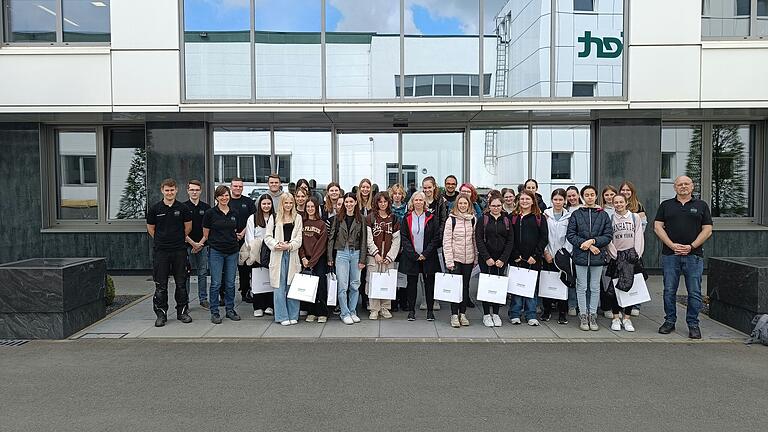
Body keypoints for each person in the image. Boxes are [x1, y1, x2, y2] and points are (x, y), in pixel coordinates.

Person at [654, 176, 712, 339]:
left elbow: (707, 230)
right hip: (670, 255)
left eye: (686, 184)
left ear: (692, 186)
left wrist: (691, 246)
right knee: (669, 291)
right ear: (675, 187)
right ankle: (669, 321)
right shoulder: (666, 205)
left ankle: (693, 324)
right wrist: (672, 245)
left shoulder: (701, 205)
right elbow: (657, 227)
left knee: (694, 292)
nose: (683, 186)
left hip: (693, 256)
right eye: (680, 184)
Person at [146, 178, 193, 327]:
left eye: (172, 190)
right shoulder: (155, 209)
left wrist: (177, 239)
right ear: (162, 191)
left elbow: (188, 227)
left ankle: (182, 312)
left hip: (179, 250)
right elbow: (151, 229)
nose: (170, 192)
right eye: (167, 190)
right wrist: (162, 240)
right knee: (161, 285)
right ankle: (161, 314)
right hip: (161, 252)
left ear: (176, 190)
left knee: (181, 284)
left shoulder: (183, 208)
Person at [566, 185, 613, 332]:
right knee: (581, 286)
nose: (590, 197)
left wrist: (593, 242)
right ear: (582, 196)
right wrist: (584, 244)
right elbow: (571, 234)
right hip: (580, 256)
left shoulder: (603, 214)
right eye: (587, 195)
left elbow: (608, 235)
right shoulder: (576, 214)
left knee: (594, 287)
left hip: (597, 256)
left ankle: (593, 314)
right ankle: (583, 315)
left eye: (592, 194)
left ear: (596, 196)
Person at [202, 185, 242, 324]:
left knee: (230, 283)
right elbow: (206, 234)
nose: (224, 198)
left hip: (232, 251)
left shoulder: (234, 212)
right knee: (216, 283)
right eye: (221, 196)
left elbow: (238, 229)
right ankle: (215, 312)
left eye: (226, 195)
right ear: (216, 197)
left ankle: (230, 309)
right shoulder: (210, 213)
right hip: (216, 252)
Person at [400, 191, 441, 321]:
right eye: (416, 200)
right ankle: (411, 311)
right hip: (412, 257)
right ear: (412, 202)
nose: (418, 202)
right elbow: (404, 237)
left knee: (429, 284)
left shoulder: (431, 217)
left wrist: (425, 254)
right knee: (411, 284)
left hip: (428, 257)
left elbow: (436, 237)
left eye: (421, 200)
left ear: (425, 202)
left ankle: (430, 311)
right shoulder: (407, 217)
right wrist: (414, 255)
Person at [509, 190, 548, 326]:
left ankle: (531, 314)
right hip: (517, 259)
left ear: (533, 201)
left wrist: (535, 255)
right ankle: (515, 313)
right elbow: (510, 238)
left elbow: (544, 238)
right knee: (517, 287)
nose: (524, 201)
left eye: (527, 199)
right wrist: (514, 254)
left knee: (531, 287)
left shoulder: (539, 218)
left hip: (533, 259)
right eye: (522, 199)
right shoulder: (513, 217)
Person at [606, 193, 644, 332]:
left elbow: (639, 236)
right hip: (617, 257)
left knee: (630, 287)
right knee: (616, 288)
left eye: (621, 202)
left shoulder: (634, 217)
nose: (619, 204)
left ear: (626, 202)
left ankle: (627, 318)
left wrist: (637, 255)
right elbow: (608, 238)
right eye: (616, 202)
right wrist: (614, 254)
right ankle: (616, 317)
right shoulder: (610, 218)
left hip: (631, 256)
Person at [327, 192, 367, 325]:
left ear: (356, 202)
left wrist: (362, 260)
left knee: (355, 284)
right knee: (343, 285)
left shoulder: (361, 218)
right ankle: (344, 312)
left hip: (356, 253)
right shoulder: (338, 218)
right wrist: (330, 257)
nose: (349, 204)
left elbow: (363, 241)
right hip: (341, 253)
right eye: (347, 202)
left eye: (351, 202)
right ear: (343, 203)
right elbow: (331, 238)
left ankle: (352, 311)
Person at [265, 192, 303, 326]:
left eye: (291, 203)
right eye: (286, 202)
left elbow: (299, 238)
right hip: (278, 255)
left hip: (292, 254)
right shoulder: (274, 217)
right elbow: (267, 237)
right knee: (279, 286)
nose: (288, 205)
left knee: (292, 285)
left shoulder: (297, 218)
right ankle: (281, 316)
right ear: (282, 203)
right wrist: (276, 245)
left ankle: (293, 315)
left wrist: (289, 245)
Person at [475, 196, 514, 327]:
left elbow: (510, 241)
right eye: (493, 206)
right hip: (486, 258)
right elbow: (479, 240)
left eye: (498, 206)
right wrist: (487, 258)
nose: (496, 208)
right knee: (487, 285)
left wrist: (503, 259)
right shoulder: (483, 220)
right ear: (489, 206)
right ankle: (486, 314)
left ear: (501, 206)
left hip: (501, 259)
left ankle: (496, 314)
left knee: (498, 286)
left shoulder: (507, 220)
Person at [365, 192, 401, 320]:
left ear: (388, 203)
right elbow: (368, 239)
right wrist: (375, 253)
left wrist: (390, 256)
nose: (382, 204)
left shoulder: (394, 218)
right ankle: (374, 309)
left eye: (385, 201)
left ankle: (385, 307)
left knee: (387, 282)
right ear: (376, 203)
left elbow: (397, 240)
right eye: (380, 201)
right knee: (373, 281)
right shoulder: (370, 218)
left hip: (388, 257)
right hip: (373, 257)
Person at [443, 195, 477, 328]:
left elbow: (474, 240)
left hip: (468, 259)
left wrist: (476, 257)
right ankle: (454, 314)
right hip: (455, 259)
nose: (463, 205)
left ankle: (463, 313)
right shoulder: (451, 220)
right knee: (455, 287)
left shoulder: (473, 219)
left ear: (469, 205)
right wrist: (449, 261)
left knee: (465, 286)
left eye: (465, 203)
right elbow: (446, 241)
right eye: (461, 203)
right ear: (457, 204)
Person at [542, 188, 572, 325]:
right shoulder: (545, 215)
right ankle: (546, 310)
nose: (558, 202)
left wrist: (563, 254)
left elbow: (570, 237)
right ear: (551, 200)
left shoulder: (569, 216)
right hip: (548, 254)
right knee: (547, 282)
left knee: (562, 283)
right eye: (555, 199)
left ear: (564, 201)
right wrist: (546, 252)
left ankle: (562, 313)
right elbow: (542, 235)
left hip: (563, 256)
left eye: (561, 199)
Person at [244, 194, 275, 317]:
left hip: (272, 252)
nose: (266, 206)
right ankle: (258, 306)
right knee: (257, 280)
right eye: (264, 204)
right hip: (256, 253)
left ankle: (269, 305)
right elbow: (249, 237)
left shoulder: (275, 217)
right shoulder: (253, 218)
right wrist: (253, 252)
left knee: (270, 280)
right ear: (259, 205)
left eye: (268, 204)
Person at [299, 197, 329, 323]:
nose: (310, 209)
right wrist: (303, 258)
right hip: (305, 260)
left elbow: (321, 245)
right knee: (308, 287)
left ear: (317, 208)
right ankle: (311, 311)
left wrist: (312, 262)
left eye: (312, 206)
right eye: (308, 207)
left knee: (321, 286)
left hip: (318, 260)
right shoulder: (302, 223)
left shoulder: (321, 224)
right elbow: (299, 242)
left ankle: (322, 312)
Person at [184, 179, 211, 310]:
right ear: (187, 191)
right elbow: (180, 229)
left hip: (203, 245)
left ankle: (203, 299)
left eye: (197, 190)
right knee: (185, 274)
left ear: (201, 191)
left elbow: (209, 228)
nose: (194, 192)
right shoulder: (182, 207)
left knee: (202, 273)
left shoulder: (206, 208)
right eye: (192, 189)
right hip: (187, 245)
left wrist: (200, 244)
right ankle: (185, 300)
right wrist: (193, 243)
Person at [229, 177, 257, 304]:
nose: (238, 188)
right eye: (235, 186)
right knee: (228, 268)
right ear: (231, 187)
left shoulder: (248, 202)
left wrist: (242, 233)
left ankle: (245, 291)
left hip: (245, 239)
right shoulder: (225, 201)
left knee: (245, 267)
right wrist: (234, 234)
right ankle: (225, 294)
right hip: (229, 240)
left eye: (240, 186)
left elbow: (253, 220)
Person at [421, 176, 447, 311]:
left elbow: (444, 220)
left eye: (429, 187)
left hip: (436, 243)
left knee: (435, 272)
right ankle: (426, 298)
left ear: (434, 187)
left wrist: (438, 238)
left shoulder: (440, 202)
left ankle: (435, 299)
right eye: (424, 188)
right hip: (422, 243)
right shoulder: (419, 200)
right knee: (423, 273)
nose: (427, 190)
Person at [357, 178, 373, 312]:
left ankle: (368, 299)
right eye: (363, 187)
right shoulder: (355, 203)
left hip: (371, 241)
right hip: (358, 242)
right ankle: (361, 299)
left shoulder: (373, 203)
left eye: (367, 187)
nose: (365, 189)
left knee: (369, 272)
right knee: (360, 273)